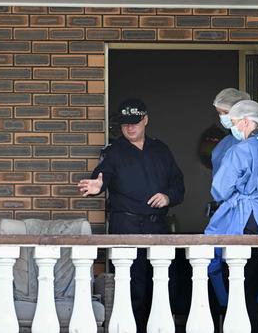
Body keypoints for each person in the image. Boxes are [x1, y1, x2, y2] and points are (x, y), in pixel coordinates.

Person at [77, 98, 185, 332]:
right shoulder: (113, 152)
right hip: (126, 225)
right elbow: (101, 175)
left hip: (157, 227)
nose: (130, 127)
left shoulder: (161, 149)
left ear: (145, 120)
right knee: (131, 286)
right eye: (125, 123)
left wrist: (167, 197)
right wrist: (97, 186)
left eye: (135, 122)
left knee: (162, 283)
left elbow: (178, 185)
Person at [204, 100, 258, 333]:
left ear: (245, 122)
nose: (232, 128)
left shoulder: (240, 150)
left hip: (246, 222)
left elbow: (220, 189)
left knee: (243, 287)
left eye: (233, 123)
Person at [206, 88, 251, 217]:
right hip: (226, 207)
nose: (222, 117)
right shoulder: (224, 143)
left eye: (225, 112)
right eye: (219, 113)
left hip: (246, 209)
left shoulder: (254, 144)